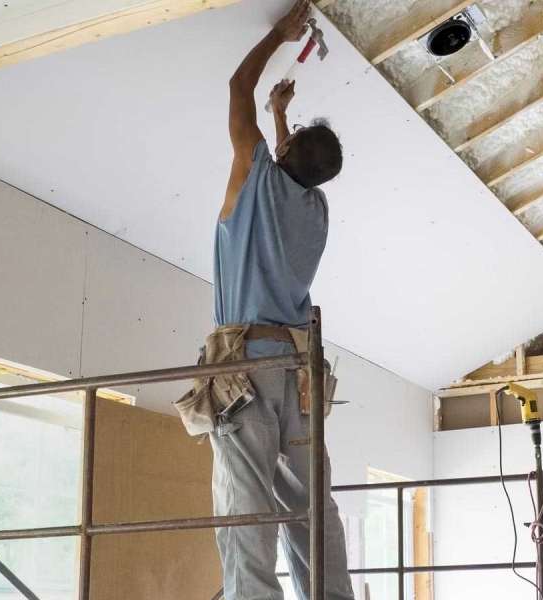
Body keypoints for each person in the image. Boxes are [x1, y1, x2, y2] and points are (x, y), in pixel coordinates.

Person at [212, 1, 350, 599]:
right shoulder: (316, 211)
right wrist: (280, 117)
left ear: (285, 155)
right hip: (298, 376)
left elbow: (237, 83)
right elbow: (291, 165)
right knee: (309, 506)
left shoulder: (256, 175)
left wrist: (279, 35)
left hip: (248, 366)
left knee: (246, 503)